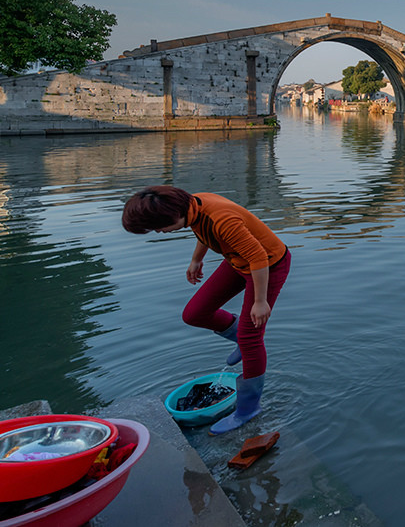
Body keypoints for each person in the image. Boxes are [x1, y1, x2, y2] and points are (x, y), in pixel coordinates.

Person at [122, 186, 291, 435]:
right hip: (237, 262)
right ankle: (241, 339)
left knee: (251, 337)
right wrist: (196, 259)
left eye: (158, 226)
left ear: (173, 215)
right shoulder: (193, 206)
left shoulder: (222, 218)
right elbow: (203, 231)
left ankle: (248, 408)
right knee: (194, 313)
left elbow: (258, 257)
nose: (159, 232)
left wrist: (260, 301)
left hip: (268, 265)